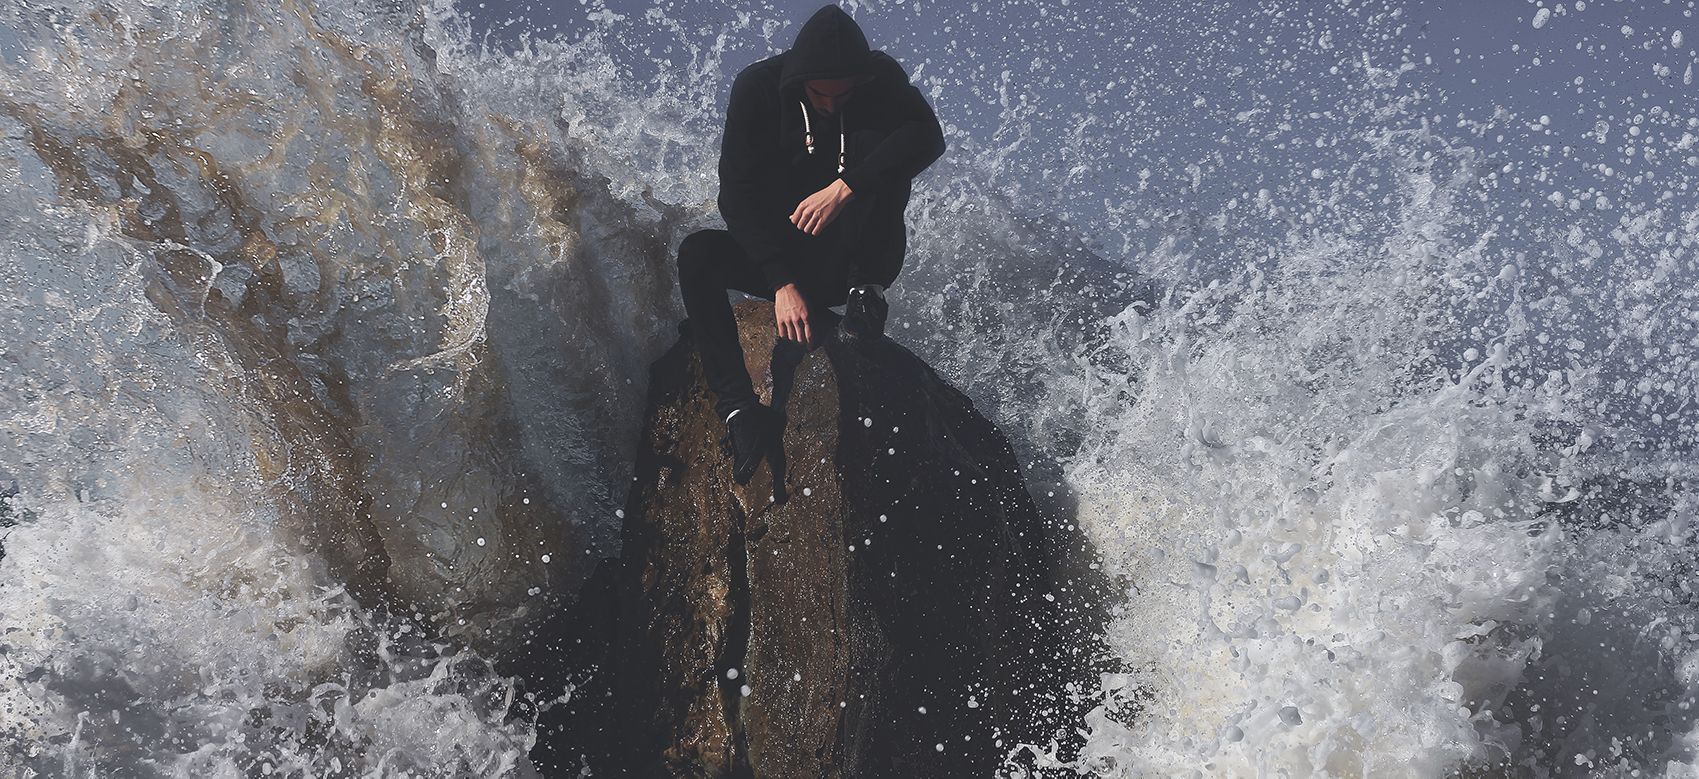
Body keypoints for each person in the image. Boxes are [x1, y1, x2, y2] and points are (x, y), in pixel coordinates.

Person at [675, 3, 946, 485]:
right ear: (801, 78)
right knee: (697, 255)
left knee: (888, 146)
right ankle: (740, 411)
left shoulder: (879, 80)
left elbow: (929, 138)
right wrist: (780, 280)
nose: (832, 104)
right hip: (788, 261)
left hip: (852, 259)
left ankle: (869, 291)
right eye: (822, 94)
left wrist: (848, 186)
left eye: (844, 95)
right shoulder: (758, 89)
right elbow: (734, 196)